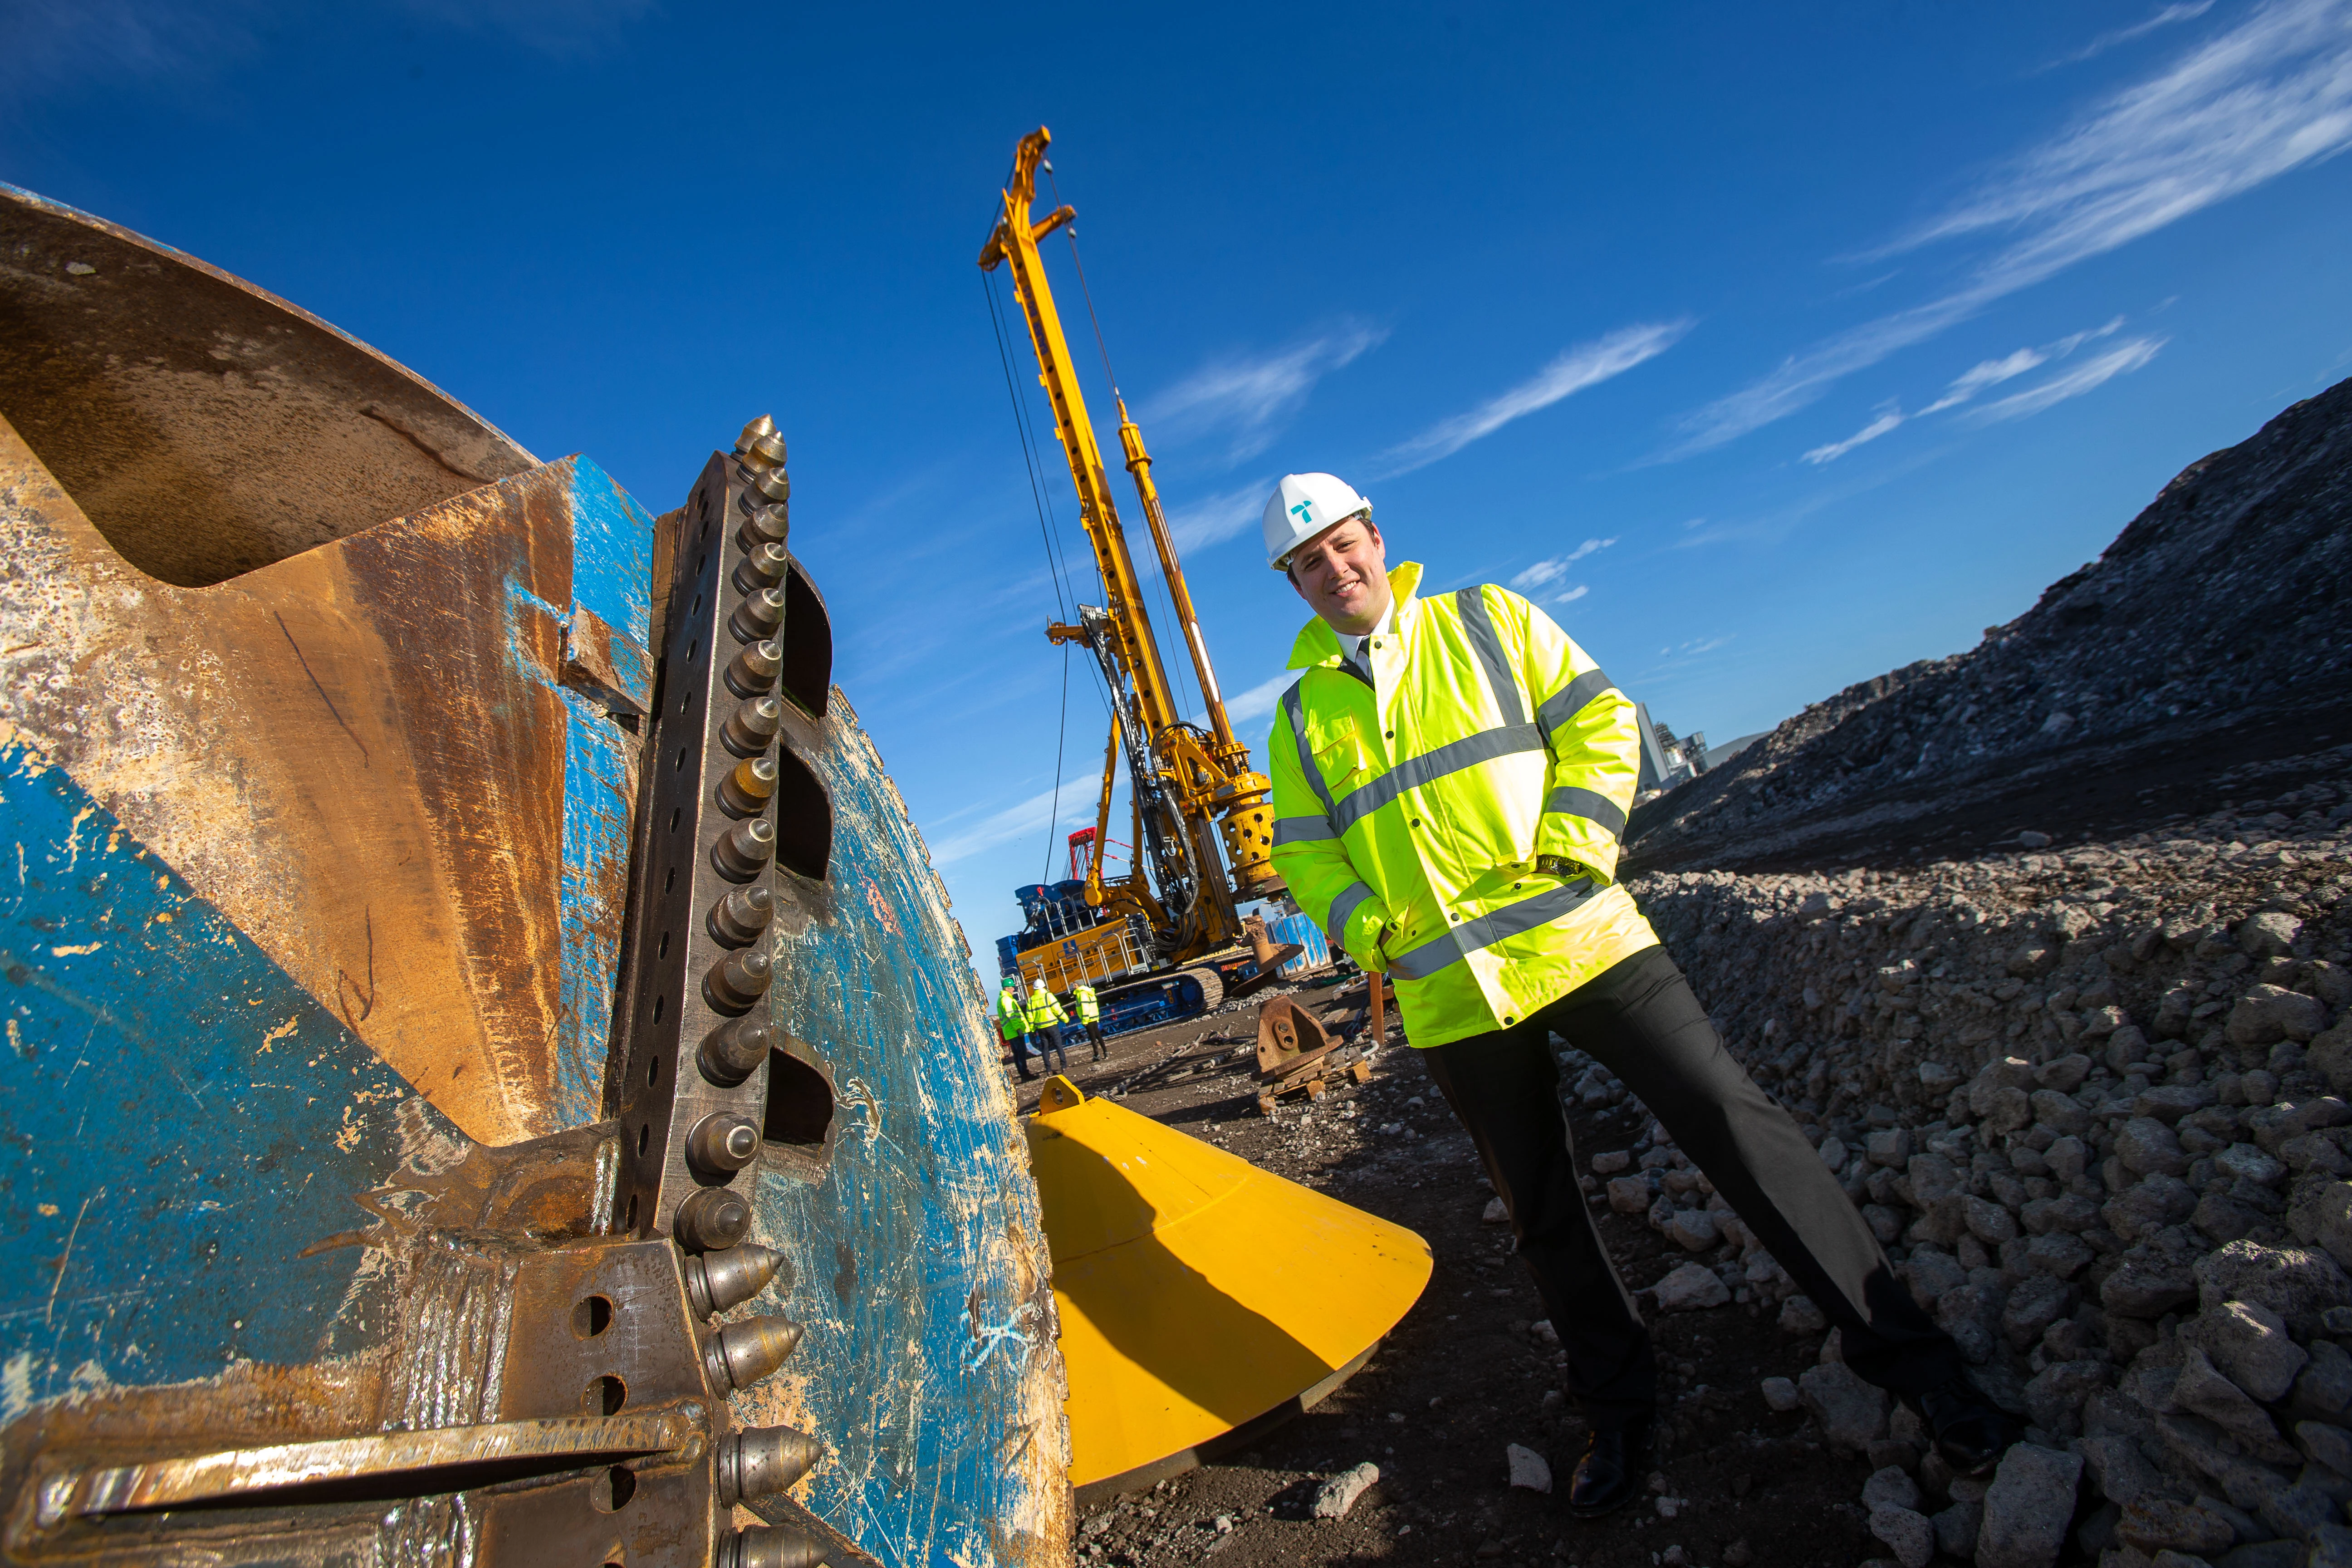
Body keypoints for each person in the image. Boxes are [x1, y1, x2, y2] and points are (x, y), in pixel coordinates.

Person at [1256, 472, 2016, 1519]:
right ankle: (1616, 1408)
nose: (1333, 570)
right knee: (1541, 1213)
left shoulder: (1484, 620)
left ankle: (1919, 1370)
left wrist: (1576, 840)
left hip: (1582, 941)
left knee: (1731, 1121)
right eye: (1308, 561)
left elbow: (1600, 719)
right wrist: (1367, 930)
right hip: (1449, 993)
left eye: (1343, 545)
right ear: (1291, 583)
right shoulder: (1299, 718)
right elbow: (1303, 855)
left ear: (1376, 540)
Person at [1024, 978, 1072, 1074]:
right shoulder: (1048, 996)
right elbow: (1057, 1009)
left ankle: (1048, 1070)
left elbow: (1030, 1016)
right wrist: (1066, 1019)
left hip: (1041, 1028)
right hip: (1052, 1025)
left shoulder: (1031, 1000)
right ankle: (1064, 1066)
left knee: (1045, 1048)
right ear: (1044, 987)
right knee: (1058, 1045)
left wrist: (1033, 1029)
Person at [996, 975, 1035, 1081]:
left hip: (1011, 1032)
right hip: (1014, 1031)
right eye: (1012, 987)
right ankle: (1024, 1074)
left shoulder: (1003, 999)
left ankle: (1024, 1073)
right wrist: (1018, 1029)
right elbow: (1012, 1016)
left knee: (1018, 1054)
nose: (1014, 989)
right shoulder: (1007, 1000)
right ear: (1007, 989)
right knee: (1021, 1054)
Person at [1073, 981, 1107, 1061]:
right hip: (1094, 1017)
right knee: (1098, 1035)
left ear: (1079, 985)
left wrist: (1085, 1020)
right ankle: (1105, 1052)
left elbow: (1085, 1007)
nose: (1074, 987)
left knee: (1093, 1038)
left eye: (1075, 985)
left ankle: (1097, 1055)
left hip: (1089, 1019)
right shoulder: (1089, 992)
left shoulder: (1082, 994)